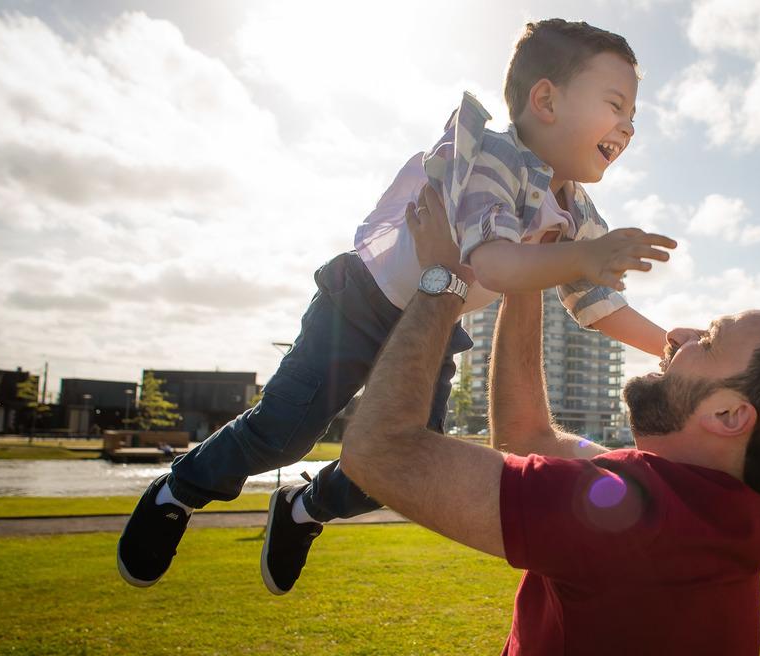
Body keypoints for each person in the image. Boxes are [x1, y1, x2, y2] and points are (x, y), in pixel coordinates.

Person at [336, 188, 760, 656]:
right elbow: (528, 435)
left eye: (711, 342)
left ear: (727, 416)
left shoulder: (645, 524)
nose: (681, 334)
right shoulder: (705, 511)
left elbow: (380, 452)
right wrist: (529, 272)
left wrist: (441, 283)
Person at [116, 19, 675, 595]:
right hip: (360, 305)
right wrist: (584, 257)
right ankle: (177, 491)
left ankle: (303, 509)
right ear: (546, 100)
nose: (628, 127)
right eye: (615, 105)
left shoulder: (576, 211)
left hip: (431, 323)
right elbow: (495, 266)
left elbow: (598, 303)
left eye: (633, 114)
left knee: (406, 462)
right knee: (283, 434)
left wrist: (667, 347)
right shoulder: (497, 158)